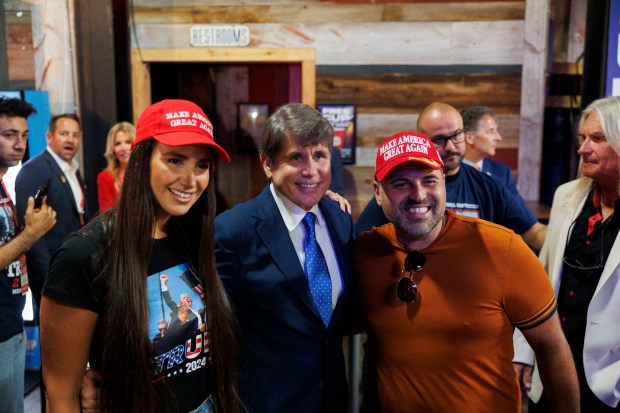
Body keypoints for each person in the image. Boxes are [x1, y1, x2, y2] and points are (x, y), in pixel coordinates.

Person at [352, 130, 579, 412]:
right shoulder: (365, 251)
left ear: (443, 183)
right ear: (377, 191)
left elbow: (553, 348)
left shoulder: (502, 248)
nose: (419, 194)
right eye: (401, 184)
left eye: (429, 180)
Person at [40, 99, 238, 413]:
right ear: (141, 160)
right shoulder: (84, 255)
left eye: (202, 165)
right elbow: (61, 395)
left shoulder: (194, 237)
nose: (191, 179)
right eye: (175, 160)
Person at [215, 103, 355, 412]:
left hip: (331, 400)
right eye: (296, 157)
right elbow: (216, 331)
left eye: (320, 155)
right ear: (267, 163)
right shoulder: (233, 230)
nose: (311, 170)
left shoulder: (341, 220)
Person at [514, 96, 620, 412]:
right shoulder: (565, 198)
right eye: (582, 138)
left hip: (608, 383)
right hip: (554, 368)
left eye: (597, 139)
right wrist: (523, 351)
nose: (582, 149)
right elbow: (540, 280)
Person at [355, 102, 547, 252]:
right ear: (422, 139)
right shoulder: (402, 190)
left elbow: (534, 232)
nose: (451, 146)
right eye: (439, 139)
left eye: (456, 135)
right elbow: (359, 241)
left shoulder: (488, 186)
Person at [0, 96, 56, 413]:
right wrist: (32, 234)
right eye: (9, 135)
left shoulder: (5, 183)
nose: (19, 143)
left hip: (11, 322)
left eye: (23, 135)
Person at [15, 113, 91, 309]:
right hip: (52, 274)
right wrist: (48, 275)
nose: (70, 140)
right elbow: (30, 229)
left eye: (75, 135)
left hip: (76, 268)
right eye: (64, 133)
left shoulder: (73, 168)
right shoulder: (34, 170)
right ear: (49, 137)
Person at [461, 105, 528, 206]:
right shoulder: (447, 170)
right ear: (470, 137)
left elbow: (521, 213)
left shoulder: (502, 172)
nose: (498, 138)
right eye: (491, 131)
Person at [97, 121, 135, 212]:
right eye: (117, 144)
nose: (123, 148)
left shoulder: (148, 173)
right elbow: (106, 215)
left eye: (128, 142)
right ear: (112, 149)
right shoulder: (105, 177)